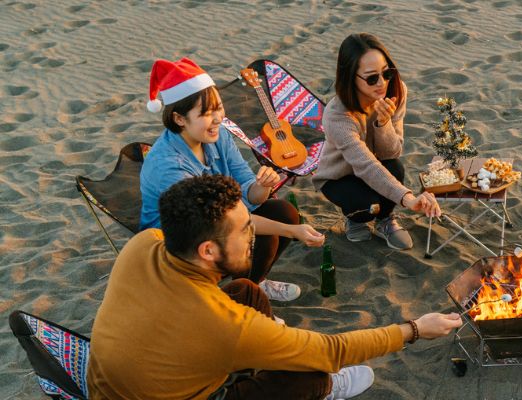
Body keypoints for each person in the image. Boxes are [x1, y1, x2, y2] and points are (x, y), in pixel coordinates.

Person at [88, 175, 463, 399]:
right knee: (311, 375)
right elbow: (331, 350)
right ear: (207, 250)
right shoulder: (222, 324)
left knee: (249, 291)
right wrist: (414, 329)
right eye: (244, 230)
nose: (253, 233)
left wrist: (288, 228)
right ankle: (325, 390)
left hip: (123, 382)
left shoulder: (146, 243)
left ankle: (270, 352)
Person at [140, 57, 325, 301]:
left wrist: (261, 186)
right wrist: (292, 231)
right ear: (179, 119)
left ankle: (251, 286)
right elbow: (223, 223)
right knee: (267, 231)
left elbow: (248, 192)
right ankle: (242, 299)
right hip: (180, 244)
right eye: (206, 113)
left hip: (216, 223)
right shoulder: (169, 167)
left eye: (219, 108)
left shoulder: (218, 136)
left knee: (282, 211)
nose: (218, 118)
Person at [314, 33, 441, 251]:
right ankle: (355, 219)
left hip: (378, 163)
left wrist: (383, 123)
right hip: (339, 176)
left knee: (396, 168)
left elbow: (392, 152)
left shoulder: (396, 92)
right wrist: (409, 199)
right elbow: (365, 164)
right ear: (351, 77)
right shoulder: (337, 115)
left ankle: (385, 219)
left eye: (387, 73)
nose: (382, 83)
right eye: (372, 78)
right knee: (365, 205)